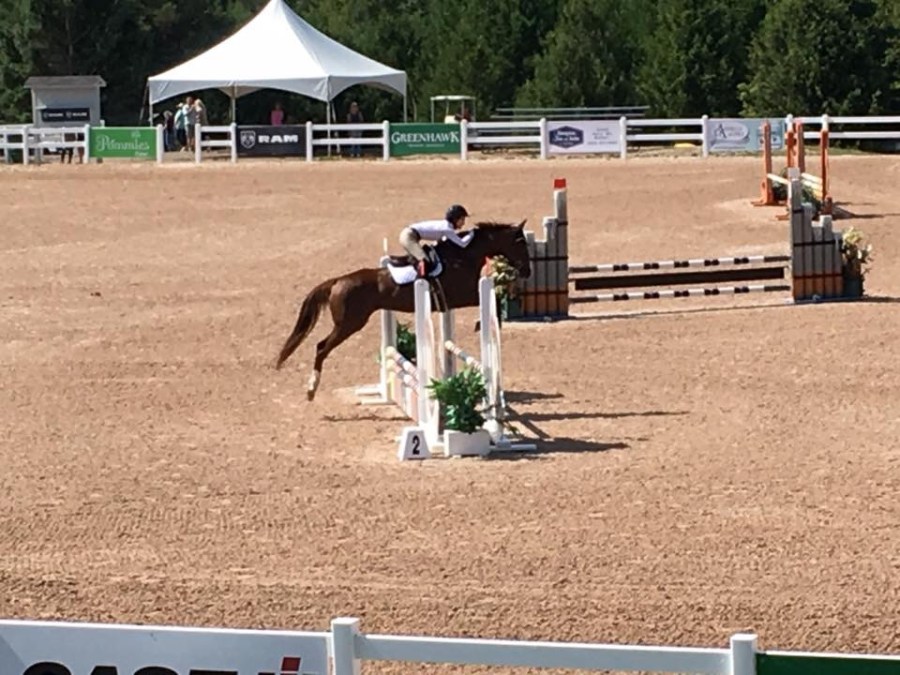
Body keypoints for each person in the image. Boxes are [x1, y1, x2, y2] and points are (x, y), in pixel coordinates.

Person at [399, 204, 472, 278]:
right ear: (455, 219)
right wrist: (472, 233)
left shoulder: (446, 226)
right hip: (408, 236)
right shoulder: (447, 229)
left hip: (410, 235)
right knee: (424, 261)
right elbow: (463, 243)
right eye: (462, 219)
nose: (463, 223)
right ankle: (420, 284)